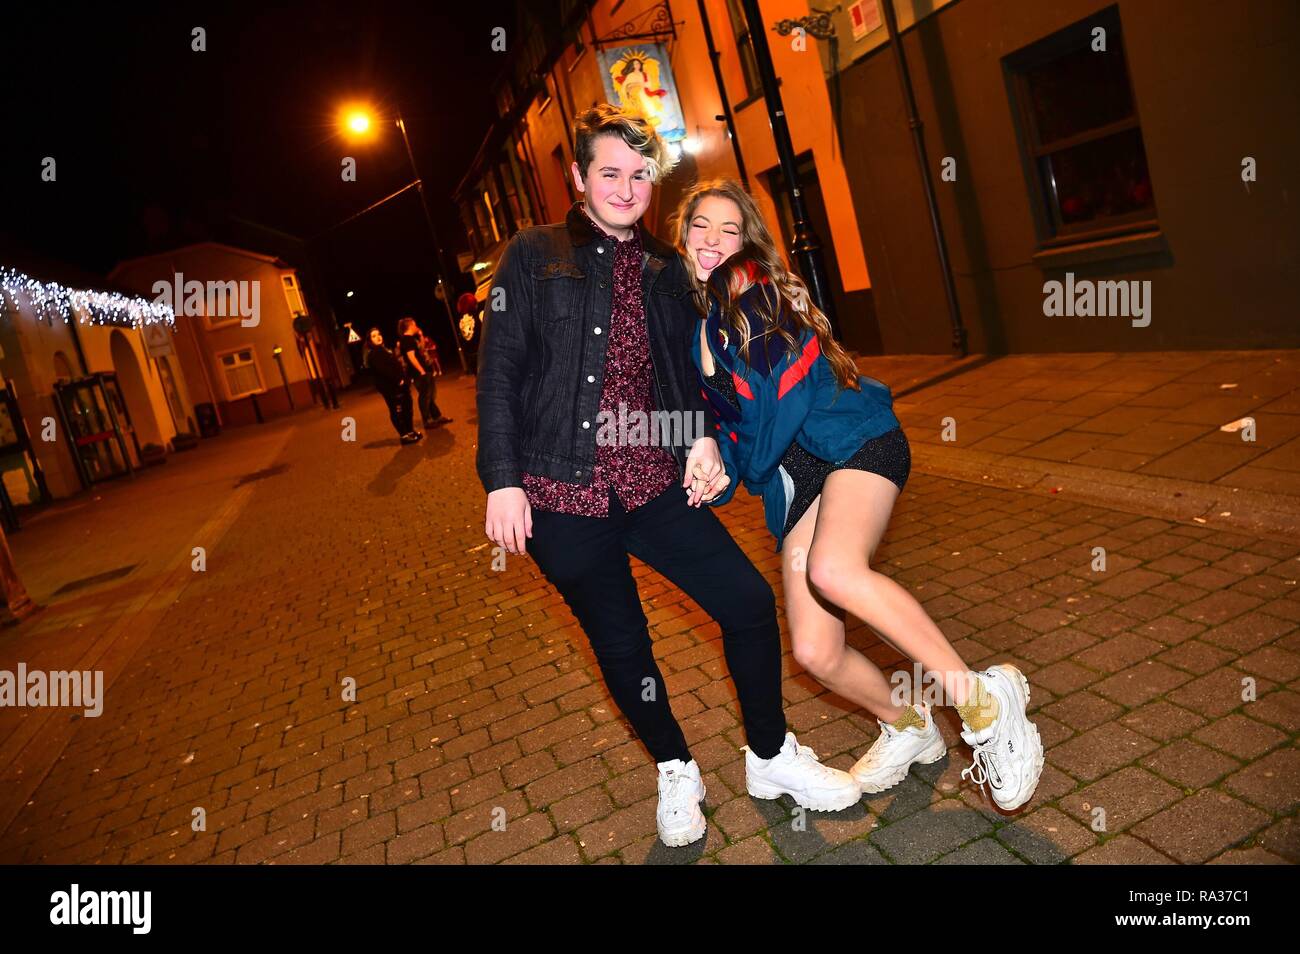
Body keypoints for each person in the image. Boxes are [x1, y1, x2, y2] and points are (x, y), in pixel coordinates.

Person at [476, 105, 861, 848]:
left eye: (640, 174)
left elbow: (690, 378)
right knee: (623, 645)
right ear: (580, 176)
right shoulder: (533, 254)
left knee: (747, 603)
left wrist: (705, 440)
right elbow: (501, 372)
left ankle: (770, 753)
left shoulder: (666, 270)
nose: (625, 188)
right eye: (610, 173)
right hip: (559, 492)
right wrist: (501, 478)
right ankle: (676, 767)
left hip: (652, 483)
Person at [675, 178, 1045, 812]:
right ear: (682, 241)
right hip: (801, 485)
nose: (714, 241)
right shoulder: (700, 331)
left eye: (729, 230)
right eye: (700, 228)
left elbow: (782, 405)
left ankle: (982, 701)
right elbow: (742, 445)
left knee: (834, 568)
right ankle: (908, 725)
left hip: (853, 442)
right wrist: (715, 473)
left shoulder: (755, 293)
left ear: (748, 243)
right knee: (817, 651)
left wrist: (734, 456)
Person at [363, 328, 422, 445]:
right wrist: (398, 380)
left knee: (407, 408)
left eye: (379, 334)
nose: (378, 337)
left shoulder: (384, 350)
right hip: (391, 388)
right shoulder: (374, 354)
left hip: (401, 385)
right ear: (370, 340)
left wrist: (404, 378)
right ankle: (404, 435)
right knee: (397, 411)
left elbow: (396, 366)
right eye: (374, 336)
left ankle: (410, 431)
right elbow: (384, 370)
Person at [397, 316, 450, 429]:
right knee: (424, 396)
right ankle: (427, 420)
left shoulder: (411, 339)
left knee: (430, 395)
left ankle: (437, 416)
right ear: (410, 326)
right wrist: (421, 371)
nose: (416, 326)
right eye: (414, 324)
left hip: (425, 370)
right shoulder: (406, 340)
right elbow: (411, 357)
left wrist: (420, 335)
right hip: (419, 373)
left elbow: (421, 348)